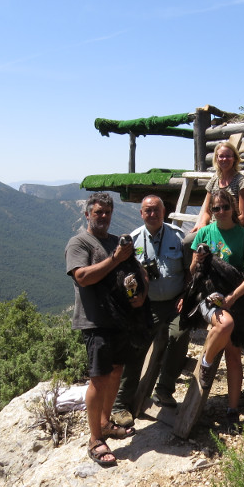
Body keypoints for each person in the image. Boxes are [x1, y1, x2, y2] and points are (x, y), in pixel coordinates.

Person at [65, 192, 144, 467]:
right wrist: (115, 259)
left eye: (107, 213)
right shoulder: (79, 242)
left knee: (116, 372)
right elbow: (82, 277)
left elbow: (131, 274)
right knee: (98, 379)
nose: (104, 217)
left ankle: (105, 422)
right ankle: (95, 439)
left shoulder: (114, 242)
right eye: (98, 212)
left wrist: (139, 295)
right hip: (94, 321)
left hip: (119, 320)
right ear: (87, 214)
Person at [110, 195, 191, 426]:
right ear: (141, 213)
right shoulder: (133, 240)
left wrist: (186, 296)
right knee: (136, 349)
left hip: (176, 301)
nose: (152, 214)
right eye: (148, 211)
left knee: (179, 335)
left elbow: (189, 271)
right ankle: (121, 404)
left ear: (164, 211)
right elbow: (124, 276)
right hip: (146, 305)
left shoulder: (178, 236)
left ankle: (164, 388)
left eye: (156, 210)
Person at [190, 189, 244, 427]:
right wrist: (198, 262)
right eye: (216, 208)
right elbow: (192, 271)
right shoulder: (204, 233)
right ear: (211, 211)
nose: (220, 212)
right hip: (207, 296)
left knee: (233, 353)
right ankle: (207, 365)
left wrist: (232, 297)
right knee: (226, 324)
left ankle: (232, 409)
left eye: (225, 207)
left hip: (234, 298)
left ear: (233, 208)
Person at [191, 141, 244, 232]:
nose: (224, 159)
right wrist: (203, 223)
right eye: (221, 156)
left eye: (228, 156)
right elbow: (207, 211)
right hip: (212, 228)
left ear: (234, 158)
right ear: (216, 158)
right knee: (187, 241)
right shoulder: (214, 180)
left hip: (233, 230)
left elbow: (243, 217)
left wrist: (223, 229)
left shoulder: (242, 182)